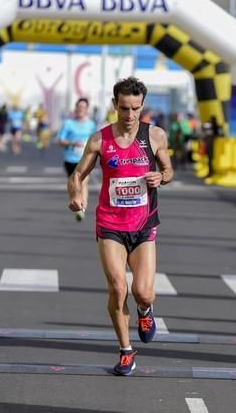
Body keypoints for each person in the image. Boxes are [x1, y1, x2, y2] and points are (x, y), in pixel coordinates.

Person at [67, 77, 174, 376]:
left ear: (142, 106)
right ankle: (126, 351)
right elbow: (77, 175)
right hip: (110, 223)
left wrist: (161, 178)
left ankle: (145, 310)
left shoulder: (154, 136)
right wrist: (75, 196)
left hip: (143, 225)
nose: (129, 116)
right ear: (115, 104)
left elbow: (168, 169)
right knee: (117, 287)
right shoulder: (100, 140)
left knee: (143, 292)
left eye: (135, 109)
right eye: (124, 108)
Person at [58, 98, 96, 221]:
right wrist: (73, 143)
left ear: (86, 110)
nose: (81, 109)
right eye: (79, 107)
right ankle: (75, 200)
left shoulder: (91, 125)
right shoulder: (68, 123)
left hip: (85, 159)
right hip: (70, 158)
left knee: (83, 182)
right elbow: (60, 140)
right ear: (75, 108)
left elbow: (96, 140)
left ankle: (82, 209)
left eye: (83, 107)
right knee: (73, 184)